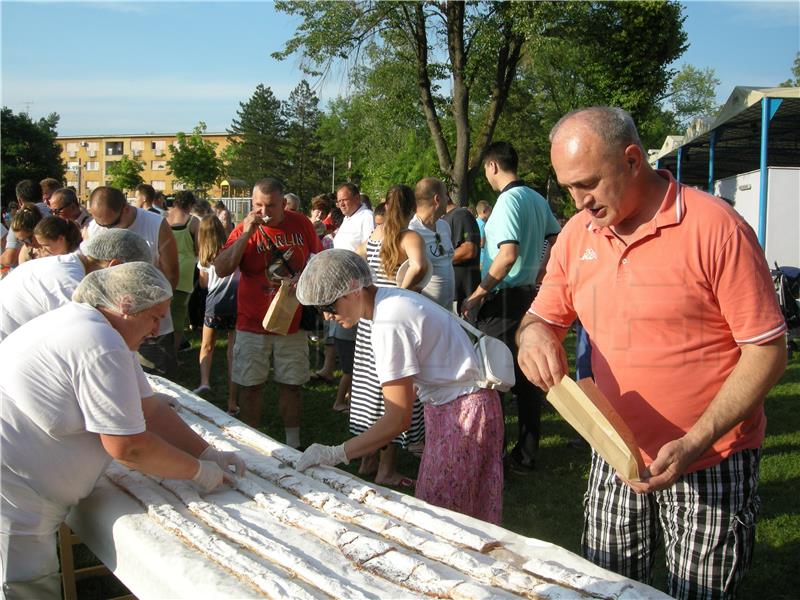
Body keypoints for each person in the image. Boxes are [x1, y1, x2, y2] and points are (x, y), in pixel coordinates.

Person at [518, 106, 787, 598]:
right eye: (569, 187)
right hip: (614, 452)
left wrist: (695, 441)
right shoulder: (579, 235)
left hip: (712, 456)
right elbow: (542, 318)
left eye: (588, 184)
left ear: (633, 159)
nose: (579, 202)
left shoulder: (715, 227)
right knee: (607, 589)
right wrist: (533, 335)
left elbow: (767, 352)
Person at [0, 262, 246, 598]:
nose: (159, 329)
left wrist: (206, 451)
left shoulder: (102, 330)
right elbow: (129, 447)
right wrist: (199, 472)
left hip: (22, 483)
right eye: (155, 317)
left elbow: (151, 410)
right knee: (22, 586)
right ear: (127, 305)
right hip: (14, 489)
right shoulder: (99, 341)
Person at [295, 249, 503, 524]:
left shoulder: (389, 321)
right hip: (463, 407)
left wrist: (336, 453)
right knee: (465, 516)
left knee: (444, 523)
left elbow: (398, 417)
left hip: (463, 415)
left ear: (352, 289)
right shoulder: (390, 301)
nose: (326, 316)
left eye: (329, 306)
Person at [461, 141, 561, 473]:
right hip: (529, 297)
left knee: (495, 379)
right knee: (527, 376)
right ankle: (526, 452)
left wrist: (477, 293)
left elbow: (507, 254)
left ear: (492, 167)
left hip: (502, 300)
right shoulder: (535, 198)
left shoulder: (506, 201)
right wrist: (541, 272)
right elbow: (554, 239)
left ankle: (494, 457)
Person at [214, 177, 322, 447]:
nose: (263, 212)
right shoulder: (244, 228)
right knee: (250, 388)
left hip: (290, 321)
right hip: (252, 324)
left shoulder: (300, 223)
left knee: (292, 385)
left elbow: (318, 260)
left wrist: (305, 277)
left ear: (283, 203)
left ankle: (293, 444)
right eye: (258, 205)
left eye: (271, 206)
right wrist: (247, 234)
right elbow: (221, 268)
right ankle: (254, 446)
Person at [350, 185, 428, 486]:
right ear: (412, 209)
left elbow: (356, 261)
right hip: (393, 321)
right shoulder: (408, 237)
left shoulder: (374, 236)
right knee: (396, 392)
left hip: (371, 322)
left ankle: (368, 460)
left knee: (372, 389)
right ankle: (386, 468)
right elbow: (419, 265)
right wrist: (403, 293)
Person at [85, 185, 179, 378]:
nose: (108, 230)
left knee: (155, 377)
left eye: (113, 223)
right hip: (111, 321)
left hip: (150, 323)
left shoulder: (156, 224)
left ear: (126, 209)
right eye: (103, 226)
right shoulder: (95, 227)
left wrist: (151, 313)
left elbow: (171, 274)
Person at [0, 228, 152, 342]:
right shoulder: (71, 284)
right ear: (114, 265)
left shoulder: (61, 266)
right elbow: (89, 341)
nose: (125, 290)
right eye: (129, 283)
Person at [328, 183, 375, 412]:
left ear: (357, 198)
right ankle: (347, 395)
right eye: (338, 201)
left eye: (345, 200)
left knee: (352, 342)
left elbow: (369, 251)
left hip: (355, 287)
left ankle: (350, 397)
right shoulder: (347, 218)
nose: (341, 204)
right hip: (341, 285)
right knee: (342, 337)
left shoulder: (366, 216)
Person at [194, 215, 240, 416]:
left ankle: (204, 382)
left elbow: (203, 285)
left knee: (207, 345)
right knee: (233, 352)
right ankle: (233, 399)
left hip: (214, 304)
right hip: (236, 303)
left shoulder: (204, 258)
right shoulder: (232, 251)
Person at [408, 178, 456, 309]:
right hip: (425, 313)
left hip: (447, 313)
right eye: (446, 195)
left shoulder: (444, 226)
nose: (448, 199)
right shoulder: (411, 232)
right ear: (437, 200)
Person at [165, 190, 199, 353]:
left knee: (165, 309)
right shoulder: (193, 222)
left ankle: (164, 348)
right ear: (190, 205)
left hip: (166, 265)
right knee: (179, 311)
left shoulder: (164, 218)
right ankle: (175, 351)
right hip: (185, 268)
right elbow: (199, 248)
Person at [0, 180, 50, 274]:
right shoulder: (54, 212)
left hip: (26, 274)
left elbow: (10, 258)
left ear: (19, 200)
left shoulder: (23, 218)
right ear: (41, 195)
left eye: (28, 240)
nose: (26, 245)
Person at [442, 197, 481, 312]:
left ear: (437, 198)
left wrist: (435, 260)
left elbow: (469, 250)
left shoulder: (461, 215)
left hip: (463, 297)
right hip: (450, 295)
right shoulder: (443, 219)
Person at [474, 199, 491, 271]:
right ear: (484, 212)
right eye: (490, 211)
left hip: (478, 257)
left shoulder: (475, 221)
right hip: (482, 259)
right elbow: (481, 243)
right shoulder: (483, 225)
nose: (491, 213)